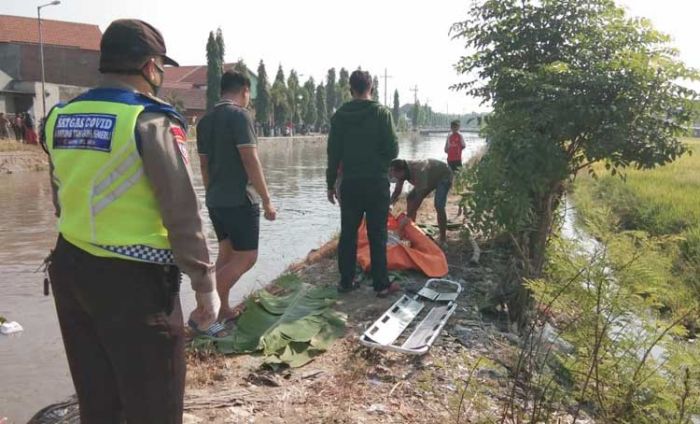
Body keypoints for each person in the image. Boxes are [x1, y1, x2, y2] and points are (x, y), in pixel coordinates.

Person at [44, 19, 221, 424]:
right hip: (135, 282)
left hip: (70, 268)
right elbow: (182, 211)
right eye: (159, 65)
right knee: (154, 404)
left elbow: (61, 194)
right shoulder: (150, 120)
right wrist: (204, 285)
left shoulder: (59, 117)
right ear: (149, 65)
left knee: (98, 399)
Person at [197, 70, 277, 324]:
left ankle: (223, 309)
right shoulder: (240, 116)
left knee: (227, 254)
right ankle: (206, 307)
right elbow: (249, 159)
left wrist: (211, 194)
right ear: (244, 90)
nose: (249, 99)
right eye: (248, 94)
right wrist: (266, 199)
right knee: (247, 256)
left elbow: (203, 165)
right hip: (241, 199)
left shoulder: (205, 120)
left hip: (215, 199)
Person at [326, 70, 400, 297]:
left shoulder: (340, 116)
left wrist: (330, 184)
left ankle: (346, 282)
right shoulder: (381, 113)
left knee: (348, 233)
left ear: (351, 89)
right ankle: (381, 284)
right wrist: (378, 162)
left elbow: (333, 154)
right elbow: (393, 149)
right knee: (377, 233)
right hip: (377, 183)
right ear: (372, 88)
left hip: (350, 184)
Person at [390, 158, 453, 244]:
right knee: (410, 198)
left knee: (439, 205)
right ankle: (412, 229)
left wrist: (407, 217)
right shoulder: (401, 172)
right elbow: (397, 191)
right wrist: (390, 204)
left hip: (444, 175)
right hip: (429, 179)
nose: (394, 177)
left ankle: (443, 238)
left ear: (402, 171)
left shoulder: (419, 169)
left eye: (396, 175)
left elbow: (419, 197)